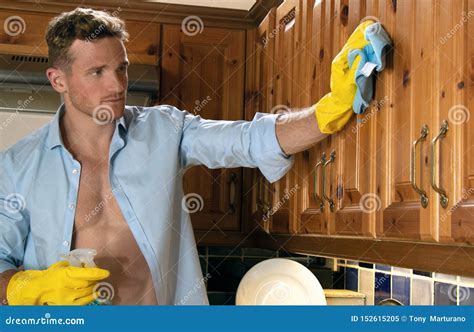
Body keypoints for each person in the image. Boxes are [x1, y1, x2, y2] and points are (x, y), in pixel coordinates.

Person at [0, 7, 328, 305]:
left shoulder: (165, 129)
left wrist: (328, 111)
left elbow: (248, 139)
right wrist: (27, 287)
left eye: (121, 68)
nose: (117, 85)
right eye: (97, 72)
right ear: (58, 79)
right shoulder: (16, 166)